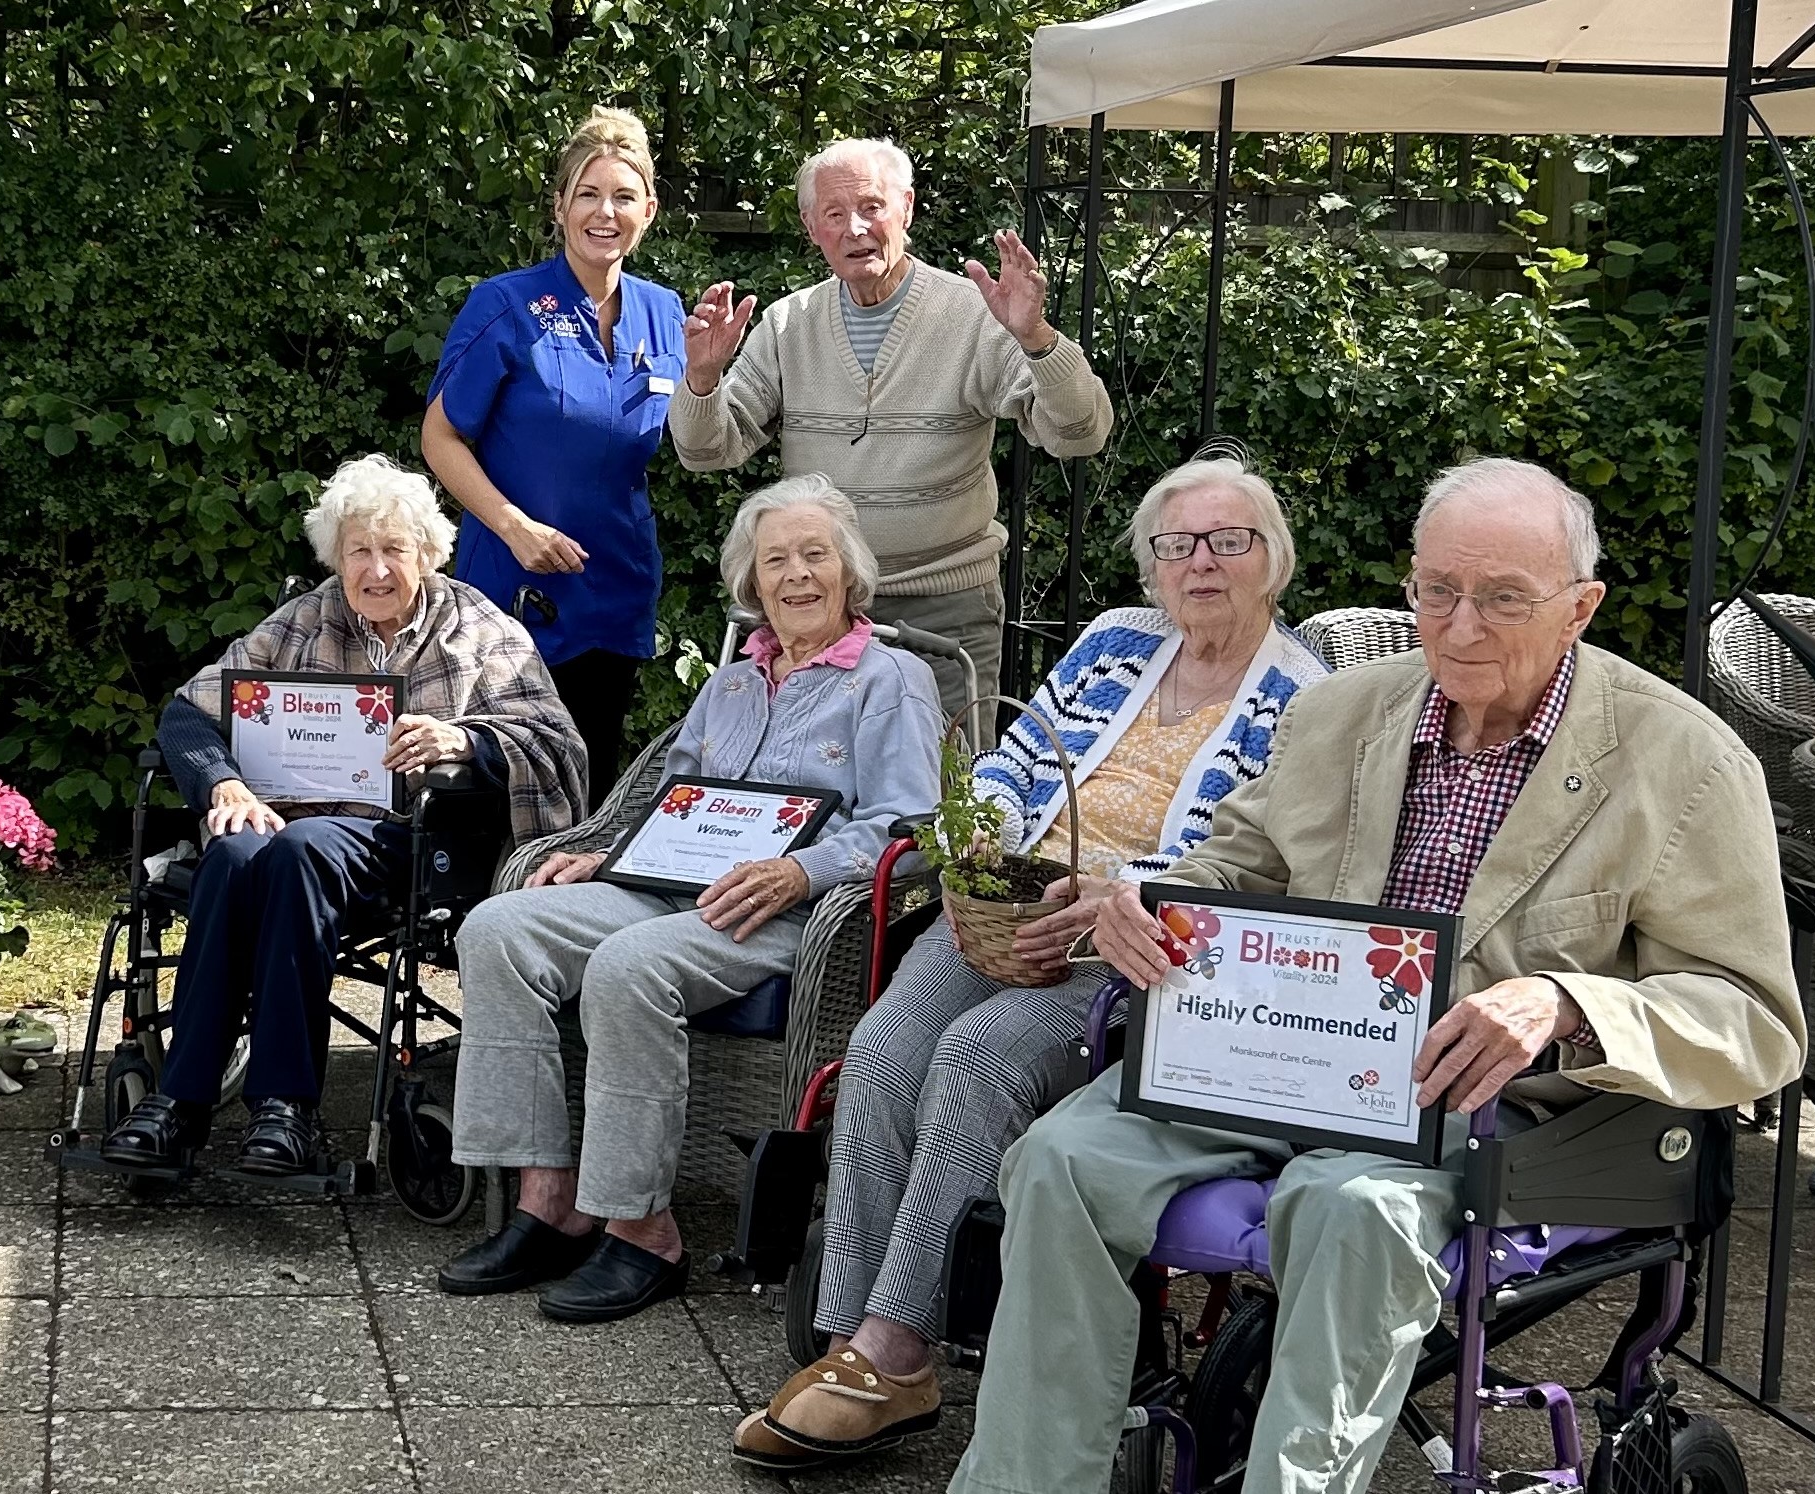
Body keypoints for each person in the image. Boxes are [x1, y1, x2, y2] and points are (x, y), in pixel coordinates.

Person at [927, 459, 1805, 1494]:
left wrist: (1568, 999)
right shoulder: (1346, 707)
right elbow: (1238, 865)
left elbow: (1754, 1015)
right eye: (1434, 590)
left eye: (1499, 599)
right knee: (1058, 1162)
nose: (1456, 627)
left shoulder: (1684, 758)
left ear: (1579, 606)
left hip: (1483, 1106)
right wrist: (1150, 908)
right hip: (1274, 1052)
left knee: (1346, 1214)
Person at [734, 454, 1326, 1470]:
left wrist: (1112, 893)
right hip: (1010, 905)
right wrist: (985, 848)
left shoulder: (1305, 695)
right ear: (1149, 566)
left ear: (1270, 560)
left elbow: (1262, 855)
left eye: (1228, 541)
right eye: (1175, 544)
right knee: (878, 1050)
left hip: (1140, 954)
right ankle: (846, 1336)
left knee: (974, 1058)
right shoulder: (1112, 643)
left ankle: (898, 1349)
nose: (1200, 563)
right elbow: (1012, 763)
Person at [439, 475, 943, 1323]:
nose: (795, 576)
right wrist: (605, 852)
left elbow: (908, 825)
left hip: (782, 912)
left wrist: (802, 871)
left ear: (848, 571)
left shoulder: (890, 680)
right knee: (496, 929)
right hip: (668, 887)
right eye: (774, 560)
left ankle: (642, 1230)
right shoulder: (735, 680)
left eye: (814, 555)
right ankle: (549, 1198)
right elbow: (668, 797)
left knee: (629, 968)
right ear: (751, 582)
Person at [102, 455, 589, 1177]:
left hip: (409, 840)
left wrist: (465, 739)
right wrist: (223, 786)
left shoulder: (477, 626)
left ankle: (285, 1105)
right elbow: (187, 711)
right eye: (359, 549)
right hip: (288, 836)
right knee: (233, 852)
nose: (377, 568)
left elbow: (555, 741)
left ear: (425, 551)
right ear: (338, 556)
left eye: (394, 548)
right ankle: (181, 1101)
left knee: (298, 847)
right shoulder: (303, 619)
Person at [670, 138, 1112, 729]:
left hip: (944, 612)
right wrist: (702, 378)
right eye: (834, 214)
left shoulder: (976, 314)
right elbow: (706, 451)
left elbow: (1081, 431)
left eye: (872, 208)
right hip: (818, 605)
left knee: (948, 795)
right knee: (814, 783)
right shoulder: (787, 324)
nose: (856, 228)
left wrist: (1037, 339)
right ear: (811, 226)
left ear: (906, 207)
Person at [421, 106, 689, 804]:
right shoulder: (505, 304)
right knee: (495, 779)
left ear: (649, 210)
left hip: (615, 586)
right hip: (512, 591)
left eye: (623, 197)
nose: (605, 212)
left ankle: (563, 913)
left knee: (588, 782)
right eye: (588, 194)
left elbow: (693, 432)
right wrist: (513, 526)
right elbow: (439, 437)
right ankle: (481, 915)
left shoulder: (666, 312)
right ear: (560, 206)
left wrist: (712, 373)